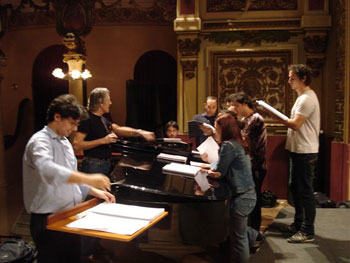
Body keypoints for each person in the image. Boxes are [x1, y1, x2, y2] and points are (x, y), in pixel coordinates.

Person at [23, 94, 116, 263]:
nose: (74, 129)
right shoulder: (39, 141)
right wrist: (89, 179)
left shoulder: (65, 142)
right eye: (72, 123)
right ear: (57, 117)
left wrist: (94, 191)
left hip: (69, 214)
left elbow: (70, 178)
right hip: (47, 218)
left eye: (76, 124)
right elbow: (48, 170)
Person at [274, 64, 320, 243]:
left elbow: (295, 124)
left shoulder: (307, 98)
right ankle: (298, 223)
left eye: (292, 78)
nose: (289, 81)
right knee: (295, 187)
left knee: (306, 191)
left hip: (305, 151)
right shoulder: (302, 97)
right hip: (297, 149)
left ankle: (307, 231)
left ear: (303, 79)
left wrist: (276, 115)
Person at [208, 113, 257, 263]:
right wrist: (212, 167)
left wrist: (210, 170)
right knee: (237, 232)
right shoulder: (237, 142)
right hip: (248, 195)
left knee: (238, 240)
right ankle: (254, 235)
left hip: (241, 198)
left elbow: (219, 172)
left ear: (225, 129)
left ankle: (253, 236)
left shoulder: (228, 145)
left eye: (216, 128)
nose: (215, 132)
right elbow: (220, 166)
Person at [73, 87, 155, 177]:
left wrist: (140, 132)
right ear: (101, 102)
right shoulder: (87, 118)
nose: (110, 103)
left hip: (104, 164)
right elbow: (77, 144)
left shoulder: (103, 119)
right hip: (93, 165)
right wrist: (102, 140)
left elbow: (118, 129)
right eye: (109, 100)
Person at [226, 92, 267, 232]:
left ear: (244, 104)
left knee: (254, 202)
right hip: (250, 165)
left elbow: (243, 140)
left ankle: (254, 232)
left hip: (256, 166)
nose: (235, 109)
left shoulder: (255, 118)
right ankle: (249, 230)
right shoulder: (246, 118)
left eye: (237, 106)